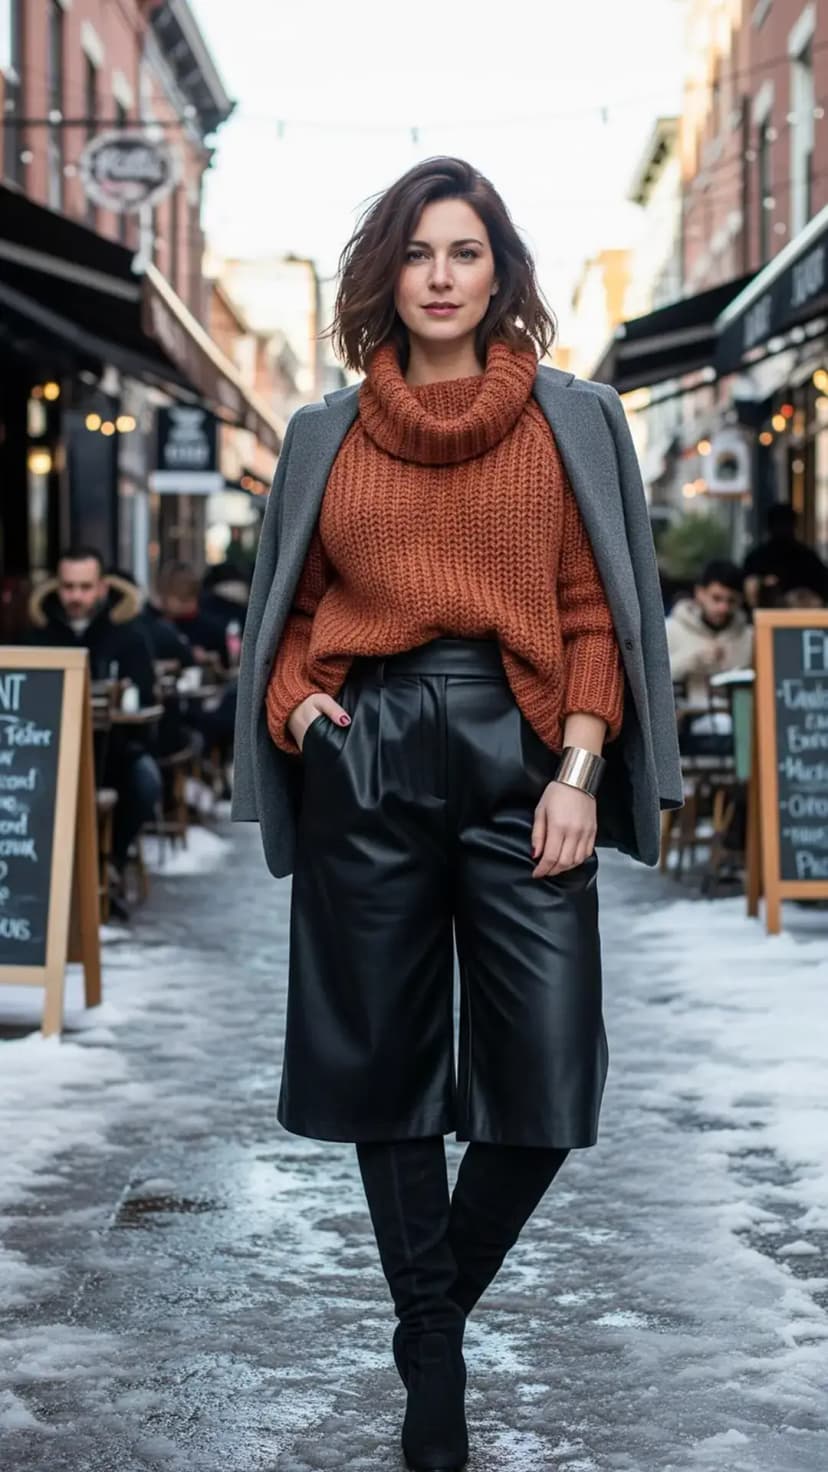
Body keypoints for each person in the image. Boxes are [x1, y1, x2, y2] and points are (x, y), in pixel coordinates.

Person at [232, 157, 682, 1472]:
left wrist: (580, 774)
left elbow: (600, 618)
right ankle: (436, 1358)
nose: (439, 275)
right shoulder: (326, 432)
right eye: (419, 253)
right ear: (388, 272)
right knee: (387, 1066)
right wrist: (313, 720)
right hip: (367, 751)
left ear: (501, 273)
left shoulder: (571, 419)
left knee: (544, 1080)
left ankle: (428, 1315)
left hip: (524, 746)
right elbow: (291, 614)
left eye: (465, 252)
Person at [26, 549, 163, 893]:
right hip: (47, 755)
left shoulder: (128, 636)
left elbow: (145, 700)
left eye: (85, 587)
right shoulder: (37, 636)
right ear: (57, 588)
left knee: (146, 781)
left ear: (101, 588)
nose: (76, 596)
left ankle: (111, 862)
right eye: (69, 587)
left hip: (113, 753)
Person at [665, 559, 753, 707]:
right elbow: (653, 680)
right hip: (683, 723)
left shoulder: (750, 637)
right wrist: (692, 659)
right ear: (700, 593)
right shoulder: (669, 630)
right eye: (716, 598)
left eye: (731, 601)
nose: (723, 608)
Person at [743, 503, 828, 609]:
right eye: (779, 524)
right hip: (766, 616)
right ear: (770, 526)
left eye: (786, 524)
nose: (782, 529)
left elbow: (823, 588)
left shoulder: (807, 558)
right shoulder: (756, 558)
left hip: (802, 616)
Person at [157, 563, 228, 668]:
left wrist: (208, 658)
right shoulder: (156, 626)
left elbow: (224, 666)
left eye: (186, 599)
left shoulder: (211, 629)